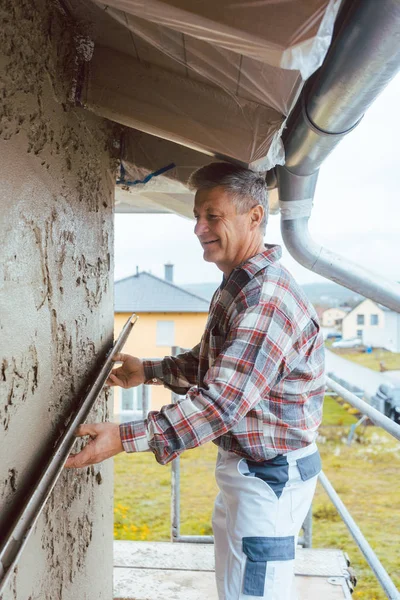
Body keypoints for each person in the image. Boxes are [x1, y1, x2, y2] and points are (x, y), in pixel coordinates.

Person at [65, 162, 325, 600]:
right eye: (197, 216)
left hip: (269, 478)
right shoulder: (239, 286)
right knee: (237, 590)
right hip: (251, 470)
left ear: (255, 216)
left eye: (213, 216)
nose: (198, 228)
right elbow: (214, 368)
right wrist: (147, 370)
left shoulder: (265, 300)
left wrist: (123, 437)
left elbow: (220, 403)